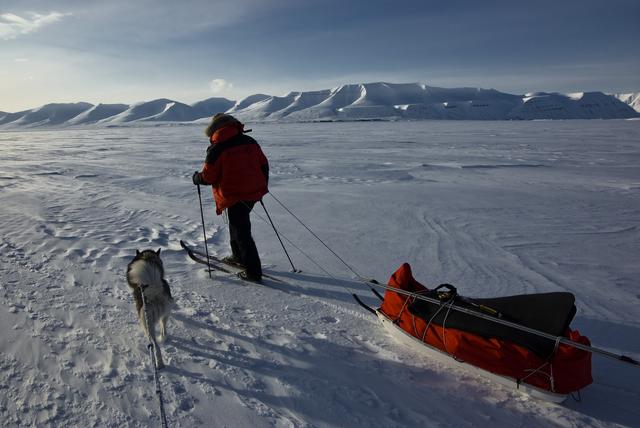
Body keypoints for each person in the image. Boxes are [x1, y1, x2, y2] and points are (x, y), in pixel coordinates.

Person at [192, 113, 269, 283]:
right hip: (253, 193)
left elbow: (209, 177)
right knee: (237, 225)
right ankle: (238, 257)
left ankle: (253, 272)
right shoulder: (250, 141)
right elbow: (263, 164)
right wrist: (262, 185)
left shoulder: (217, 148)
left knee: (241, 232)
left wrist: (197, 178)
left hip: (234, 195)